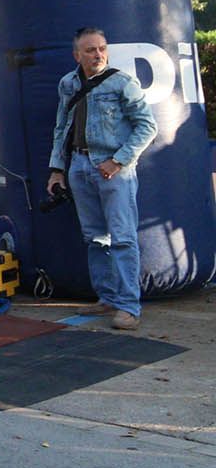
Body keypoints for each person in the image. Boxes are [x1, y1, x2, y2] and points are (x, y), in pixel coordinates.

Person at [46, 28, 157, 331]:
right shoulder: (68, 84)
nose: (98, 55)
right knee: (95, 238)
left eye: (102, 48)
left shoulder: (122, 82)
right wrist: (57, 169)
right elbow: (61, 127)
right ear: (77, 55)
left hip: (114, 170)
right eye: (90, 50)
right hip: (79, 165)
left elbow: (148, 126)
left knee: (122, 238)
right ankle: (107, 297)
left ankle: (128, 307)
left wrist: (118, 160)